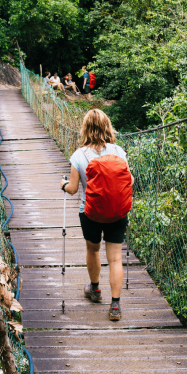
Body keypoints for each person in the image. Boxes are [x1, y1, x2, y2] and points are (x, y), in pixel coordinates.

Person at [60, 109, 134, 321]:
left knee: (93, 250)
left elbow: (73, 188)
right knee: (116, 258)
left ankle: (95, 290)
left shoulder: (78, 155)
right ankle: (116, 306)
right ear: (107, 126)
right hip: (118, 212)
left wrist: (63, 184)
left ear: (86, 128)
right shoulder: (119, 152)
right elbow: (131, 181)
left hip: (90, 213)